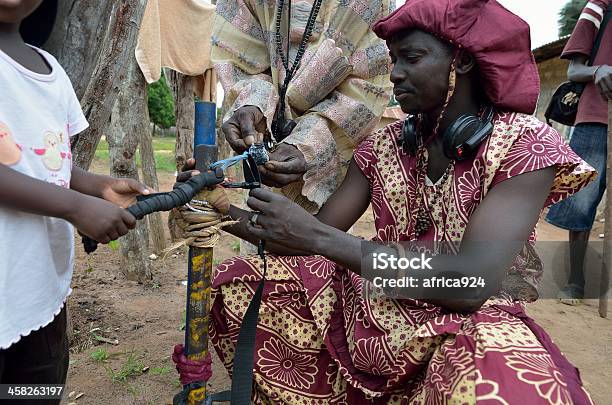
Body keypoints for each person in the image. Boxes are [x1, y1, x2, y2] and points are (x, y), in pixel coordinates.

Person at [191, 0, 598, 402]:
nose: (395, 74)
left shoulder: (525, 145)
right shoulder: (382, 146)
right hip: (373, 317)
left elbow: (469, 284)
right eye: (393, 60)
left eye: (412, 57)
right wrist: (219, 203)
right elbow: (292, 239)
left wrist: (316, 236)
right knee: (238, 281)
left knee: (508, 385)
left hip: (466, 324)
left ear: (463, 61)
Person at [0, 0, 149, 397]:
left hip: (39, 296)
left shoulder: (50, 69)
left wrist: (97, 188)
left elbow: (47, 163)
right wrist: (75, 207)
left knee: (35, 391)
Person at [211, 0, 393, 213]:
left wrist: (308, 145)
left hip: (327, 180)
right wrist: (253, 102)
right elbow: (237, 54)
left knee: (322, 238)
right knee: (260, 226)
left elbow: (370, 85)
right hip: (262, 171)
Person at [546, 0, 612, 306]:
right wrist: (599, 69)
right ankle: (576, 280)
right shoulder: (600, 7)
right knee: (582, 199)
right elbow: (574, 69)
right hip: (597, 117)